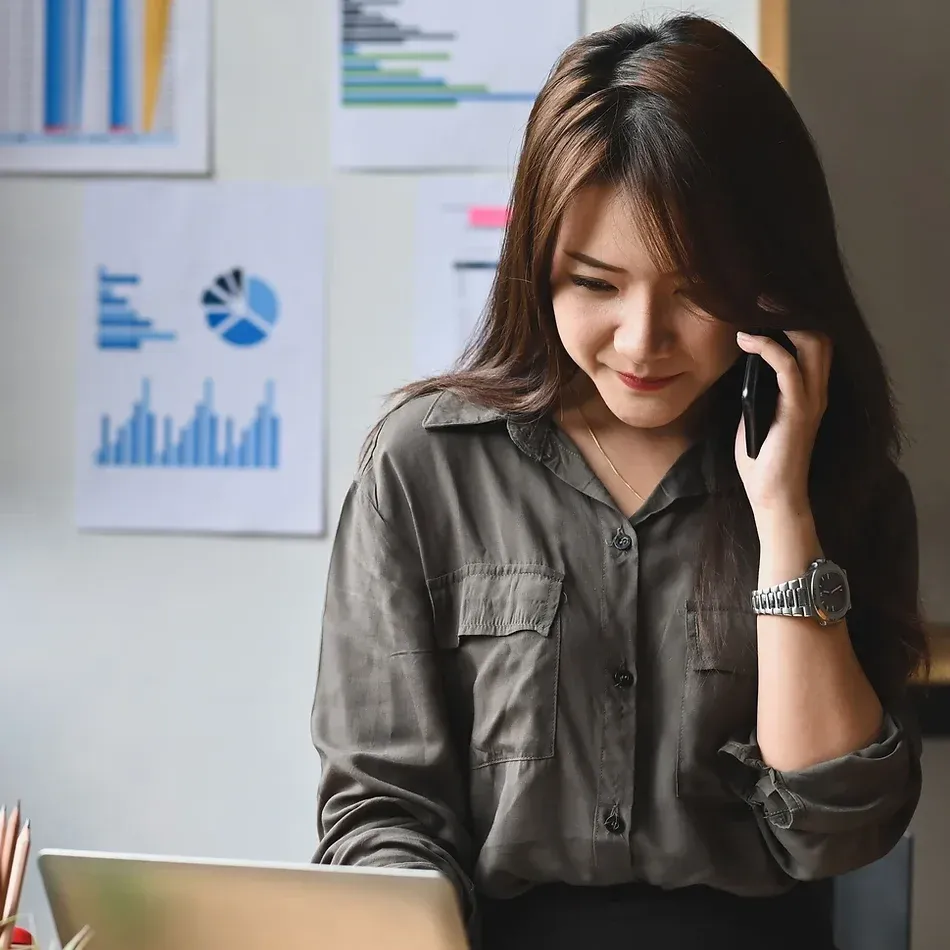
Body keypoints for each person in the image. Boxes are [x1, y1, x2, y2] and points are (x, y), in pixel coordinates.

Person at [310, 15, 927, 950]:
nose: (642, 340)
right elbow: (381, 813)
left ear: (769, 279)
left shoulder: (843, 488)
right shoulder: (424, 467)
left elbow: (840, 827)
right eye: (595, 284)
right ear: (536, 266)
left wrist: (783, 513)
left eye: (693, 292)